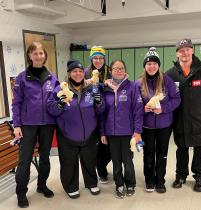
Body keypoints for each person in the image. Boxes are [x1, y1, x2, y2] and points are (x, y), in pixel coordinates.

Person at [166, 38, 201, 192]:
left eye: (188, 49)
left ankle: (199, 177)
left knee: (200, 149)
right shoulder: (170, 74)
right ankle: (181, 175)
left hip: (200, 118)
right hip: (180, 119)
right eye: (181, 50)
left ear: (192, 50)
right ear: (177, 53)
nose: (185, 53)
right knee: (181, 149)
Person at [47, 59, 104, 199]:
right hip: (67, 134)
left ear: (83, 73)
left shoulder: (92, 88)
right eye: (74, 71)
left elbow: (101, 109)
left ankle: (91, 183)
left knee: (89, 160)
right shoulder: (60, 89)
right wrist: (60, 103)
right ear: (69, 73)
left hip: (89, 133)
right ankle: (71, 186)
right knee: (68, 162)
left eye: (80, 71)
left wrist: (99, 101)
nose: (77, 74)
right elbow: (51, 109)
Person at [12, 42, 59, 208]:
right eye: (35, 53)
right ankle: (21, 192)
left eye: (41, 53)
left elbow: (58, 99)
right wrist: (17, 125)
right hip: (28, 125)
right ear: (30, 56)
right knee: (24, 160)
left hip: (48, 124)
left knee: (45, 157)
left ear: (45, 55)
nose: (39, 56)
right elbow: (16, 103)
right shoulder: (22, 77)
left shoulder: (52, 78)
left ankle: (41, 185)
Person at [138, 47, 180, 193]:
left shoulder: (167, 80)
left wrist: (163, 109)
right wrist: (143, 109)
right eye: (149, 64)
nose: (152, 66)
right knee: (148, 153)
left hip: (164, 125)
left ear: (158, 65)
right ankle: (149, 181)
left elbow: (176, 99)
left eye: (155, 63)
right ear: (145, 66)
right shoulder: (138, 83)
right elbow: (134, 104)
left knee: (162, 153)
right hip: (146, 126)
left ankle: (160, 181)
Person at [100, 59, 143, 198]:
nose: (119, 71)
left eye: (121, 68)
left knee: (128, 161)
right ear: (111, 71)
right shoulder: (105, 89)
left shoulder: (132, 87)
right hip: (111, 133)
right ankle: (119, 184)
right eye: (116, 68)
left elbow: (138, 111)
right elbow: (102, 113)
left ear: (125, 70)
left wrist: (137, 132)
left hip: (127, 133)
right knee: (116, 161)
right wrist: (103, 132)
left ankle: (130, 183)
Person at [85, 46, 112, 184]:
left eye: (101, 57)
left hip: (108, 112)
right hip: (90, 113)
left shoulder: (110, 72)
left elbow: (118, 85)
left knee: (108, 145)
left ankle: (102, 165)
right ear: (91, 59)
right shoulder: (84, 73)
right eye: (95, 57)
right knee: (96, 146)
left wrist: (105, 83)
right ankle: (100, 171)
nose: (98, 60)